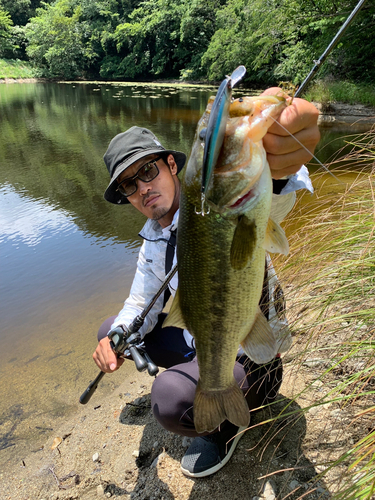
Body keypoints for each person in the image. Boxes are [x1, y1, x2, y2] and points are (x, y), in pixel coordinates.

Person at [93, 90, 320, 478]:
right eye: (130, 185)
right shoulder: (153, 238)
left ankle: (223, 429)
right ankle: (208, 390)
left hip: (253, 356)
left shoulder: (221, 205)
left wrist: (280, 170)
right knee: (112, 329)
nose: (143, 188)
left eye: (148, 172)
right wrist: (114, 337)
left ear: (171, 165)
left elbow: (274, 201)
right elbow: (139, 302)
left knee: (167, 400)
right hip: (205, 341)